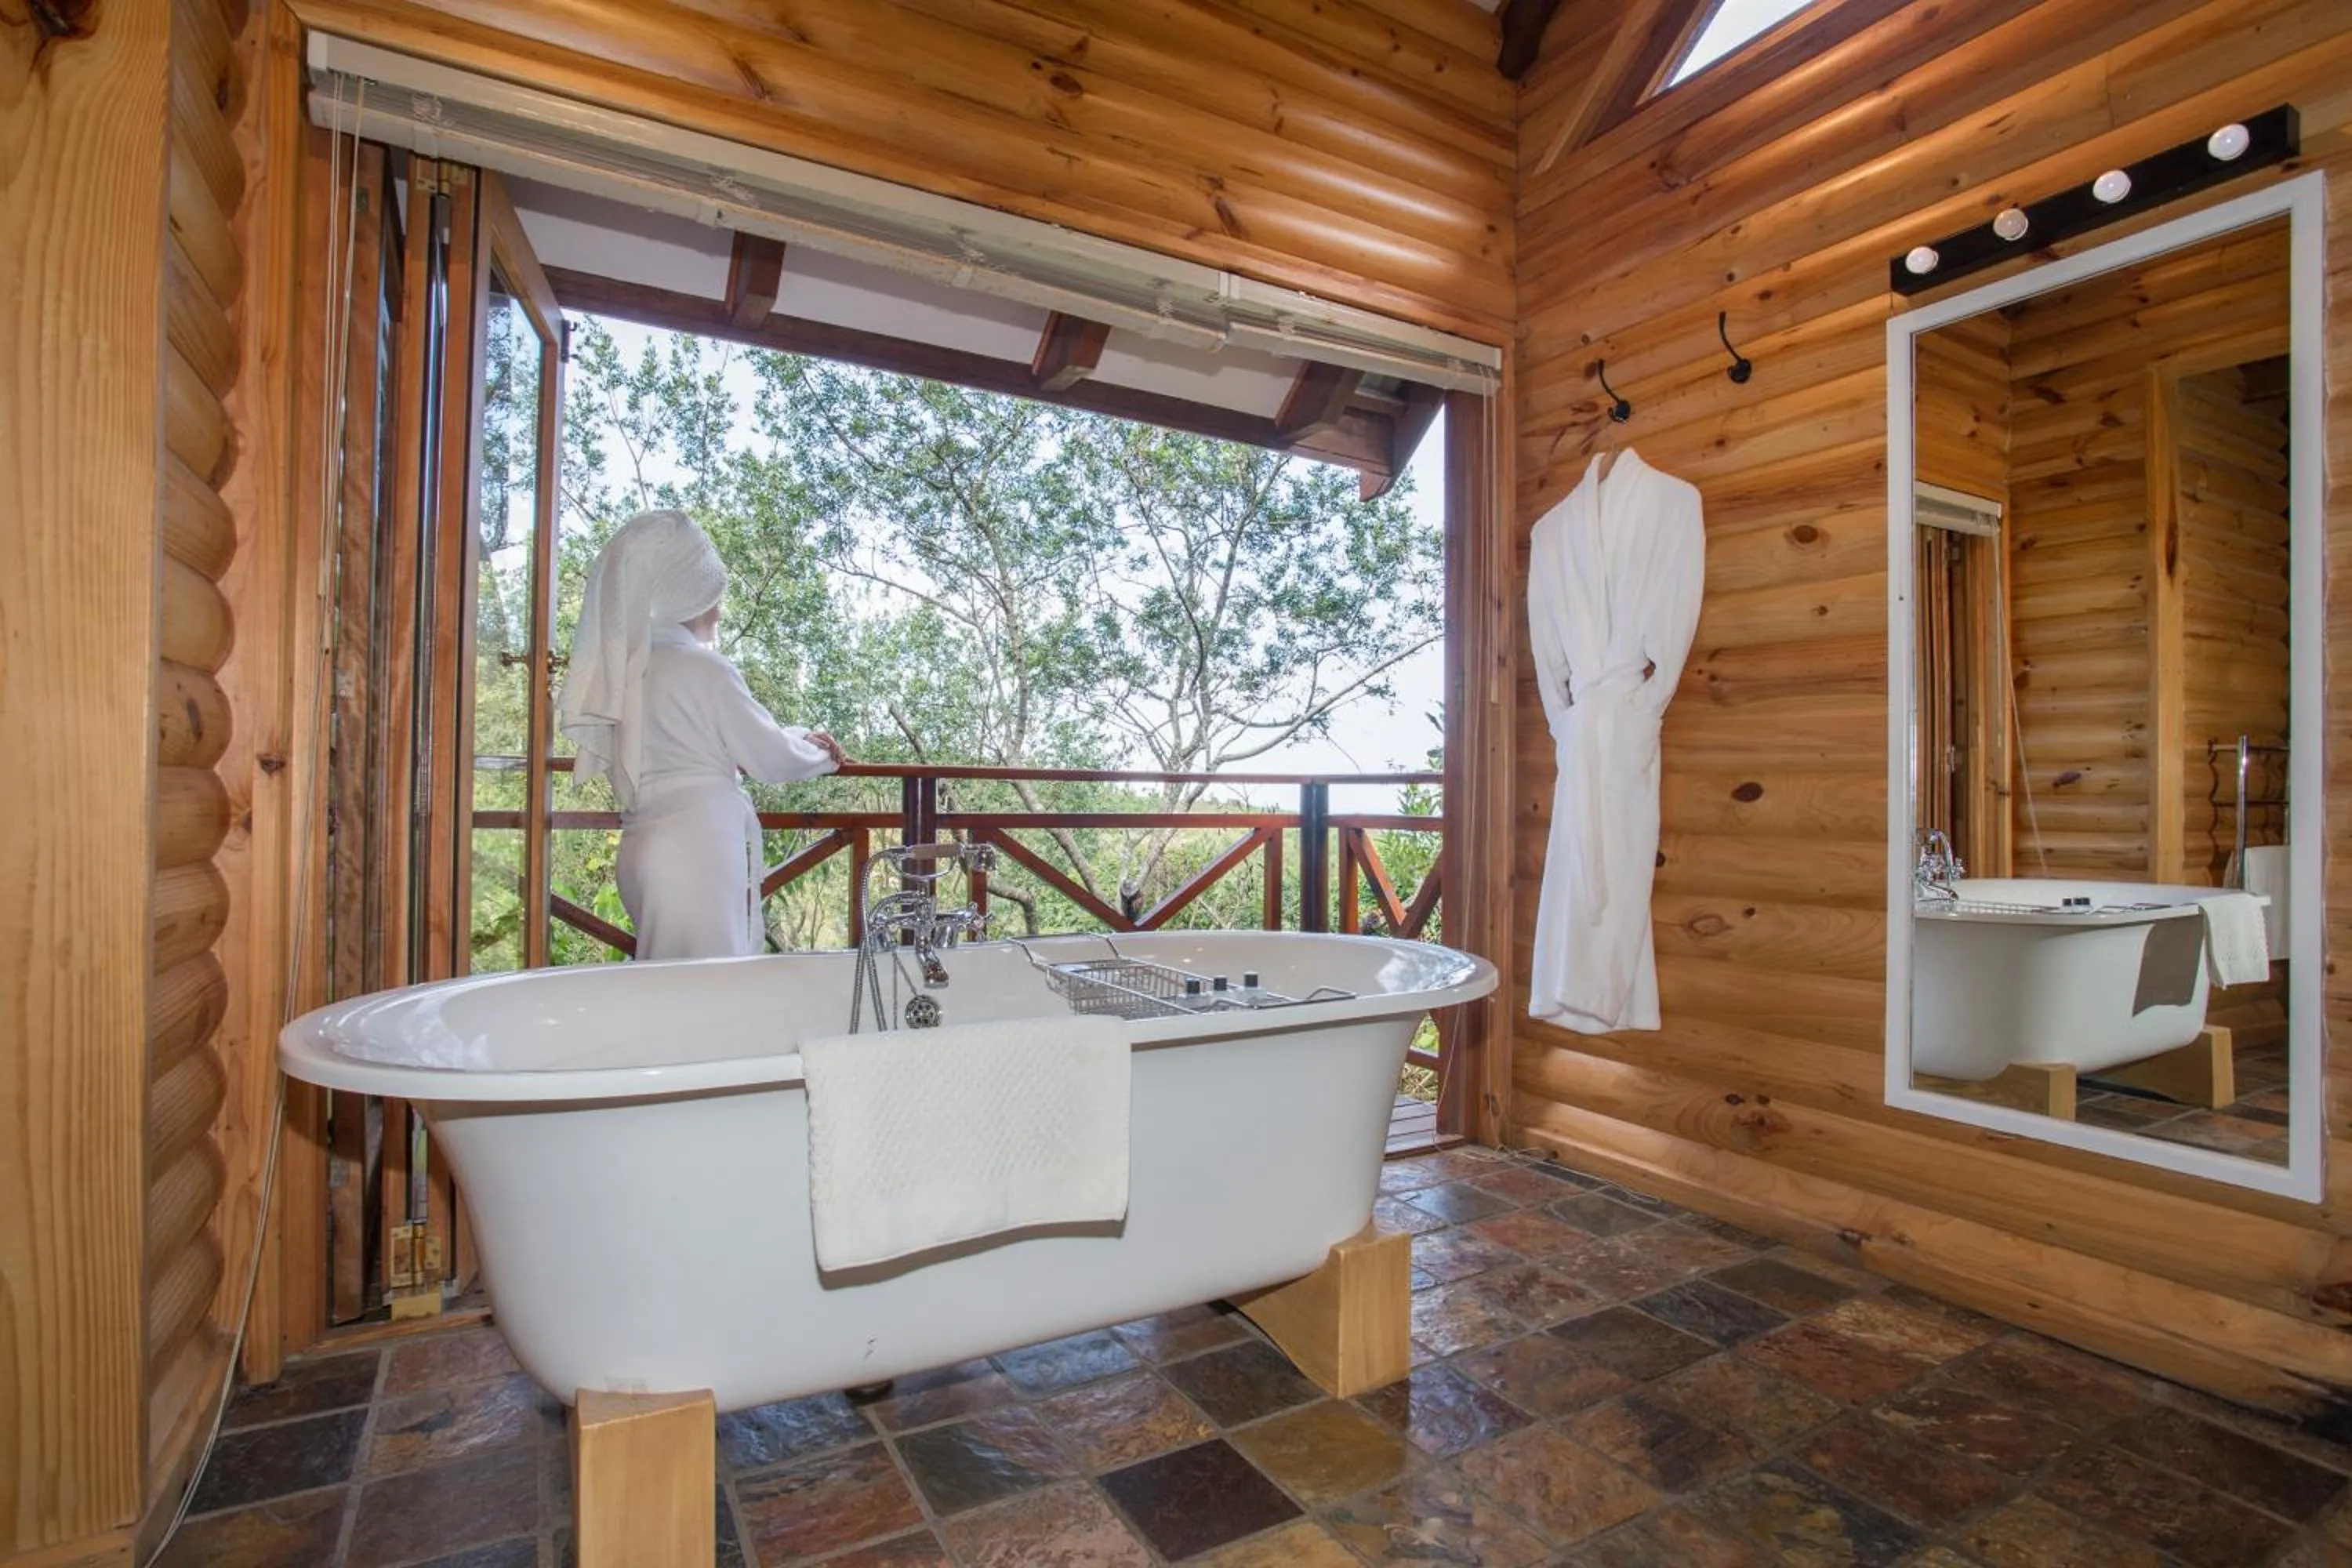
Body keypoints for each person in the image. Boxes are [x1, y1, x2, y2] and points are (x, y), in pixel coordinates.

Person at [556, 509, 848, 960]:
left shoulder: (628, 671)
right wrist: (822, 755)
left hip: (642, 851)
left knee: (672, 992)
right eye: (712, 595)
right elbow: (768, 755)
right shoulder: (705, 669)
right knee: (707, 996)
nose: (718, 609)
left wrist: (797, 736)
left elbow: (717, 740)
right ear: (685, 598)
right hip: (697, 851)